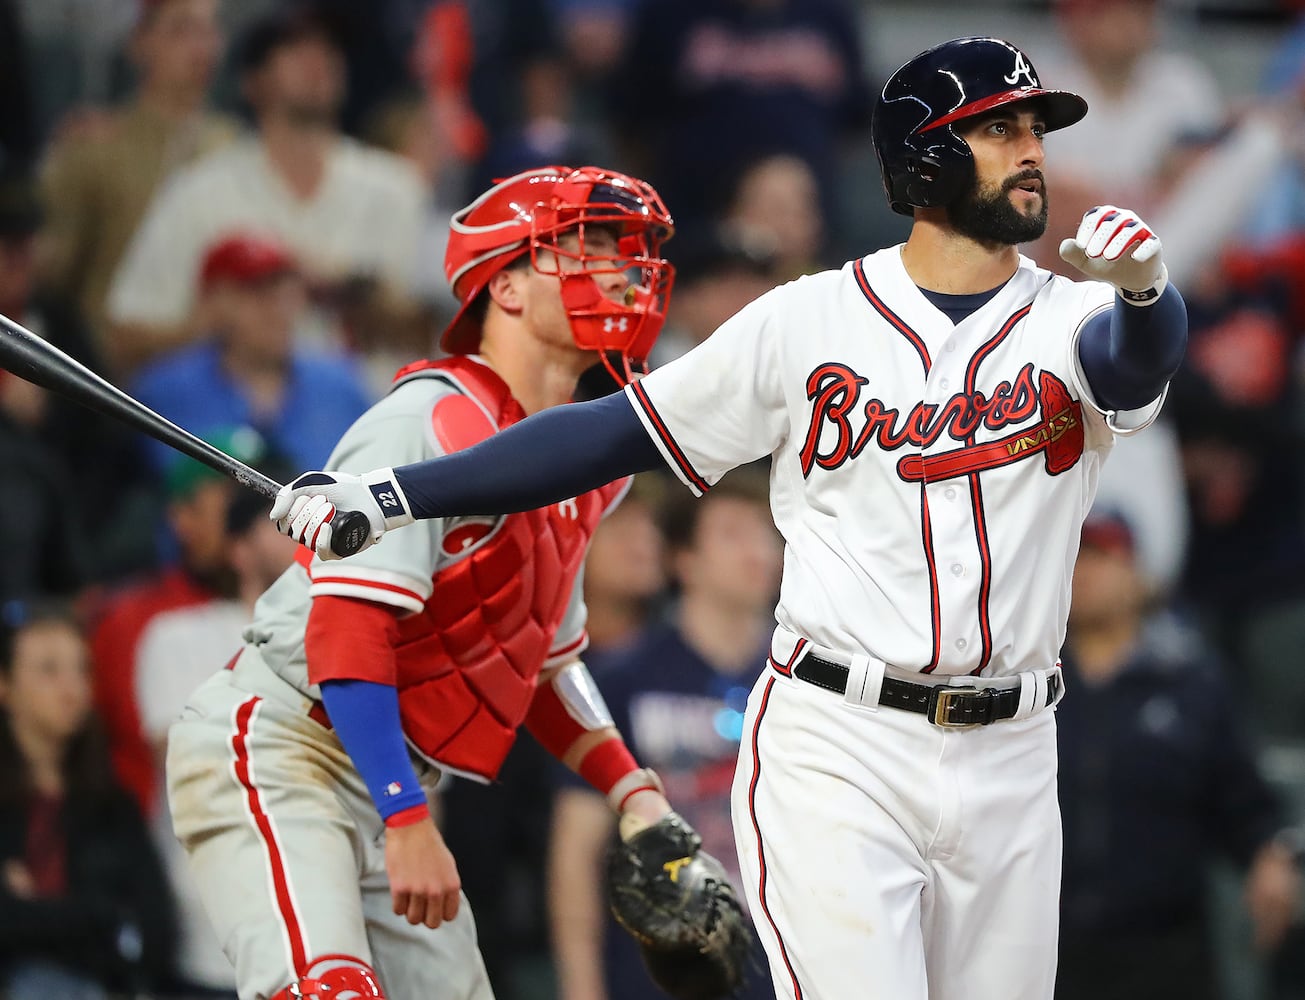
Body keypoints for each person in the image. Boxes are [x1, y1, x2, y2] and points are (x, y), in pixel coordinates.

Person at [273, 37, 1192, 1000]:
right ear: (925, 156)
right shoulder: (810, 319)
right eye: (1000, 128)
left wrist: (1145, 290)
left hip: (1013, 746)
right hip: (844, 742)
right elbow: (612, 432)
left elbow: (1135, 361)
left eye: (1034, 129)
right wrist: (397, 493)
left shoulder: (1072, 318)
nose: (1031, 149)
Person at [165, 165, 693, 1000]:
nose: (620, 272)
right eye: (586, 248)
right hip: (287, 745)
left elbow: (541, 662)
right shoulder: (429, 420)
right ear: (508, 285)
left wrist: (633, 791)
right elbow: (344, 635)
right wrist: (406, 814)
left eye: (621, 253)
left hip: (389, 776)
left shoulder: (590, 465)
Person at [549, 464, 780, 1000]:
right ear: (684, 559)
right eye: (733, 534)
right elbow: (576, 846)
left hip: (783, 965)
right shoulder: (624, 678)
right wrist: (581, 985)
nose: (759, 552)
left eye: (768, 533)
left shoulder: (811, 679)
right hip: (655, 969)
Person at [105, 2, 428, 377]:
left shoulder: (398, 188)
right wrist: (207, 326)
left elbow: (444, 331)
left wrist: (351, 292)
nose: (317, 59)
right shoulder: (203, 191)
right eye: (292, 48)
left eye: (329, 47)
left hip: (376, 417)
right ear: (252, 81)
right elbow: (123, 337)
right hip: (235, 426)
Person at [1056, 510, 1300, 1000]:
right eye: (1072, 557)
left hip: (1166, 949)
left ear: (1138, 572)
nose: (1083, 571)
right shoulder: (1024, 687)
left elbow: (1242, 801)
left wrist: (1270, 855)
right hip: (1047, 944)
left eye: (1101, 556)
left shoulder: (1190, 681)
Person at [38, 0, 236, 363]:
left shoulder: (235, 148)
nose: (201, 46)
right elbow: (52, 274)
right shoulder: (97, 148)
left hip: (219, 371)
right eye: (181, 30)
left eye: (209, 29)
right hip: (111, 371)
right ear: (139, 43)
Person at [0, 601, 178, 999]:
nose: (71, 687)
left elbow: (154, 932)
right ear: (5, 684)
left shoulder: (112, 804)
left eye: (82, 669)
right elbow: (115, 923)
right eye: (49, 670)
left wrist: (30, 908)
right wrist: (99, 918)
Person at [129, 230, 373, 478]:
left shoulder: (340, 386)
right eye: (255, 292)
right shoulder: (167, 391)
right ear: (213, 300)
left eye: (284, 291)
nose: (276, 308)